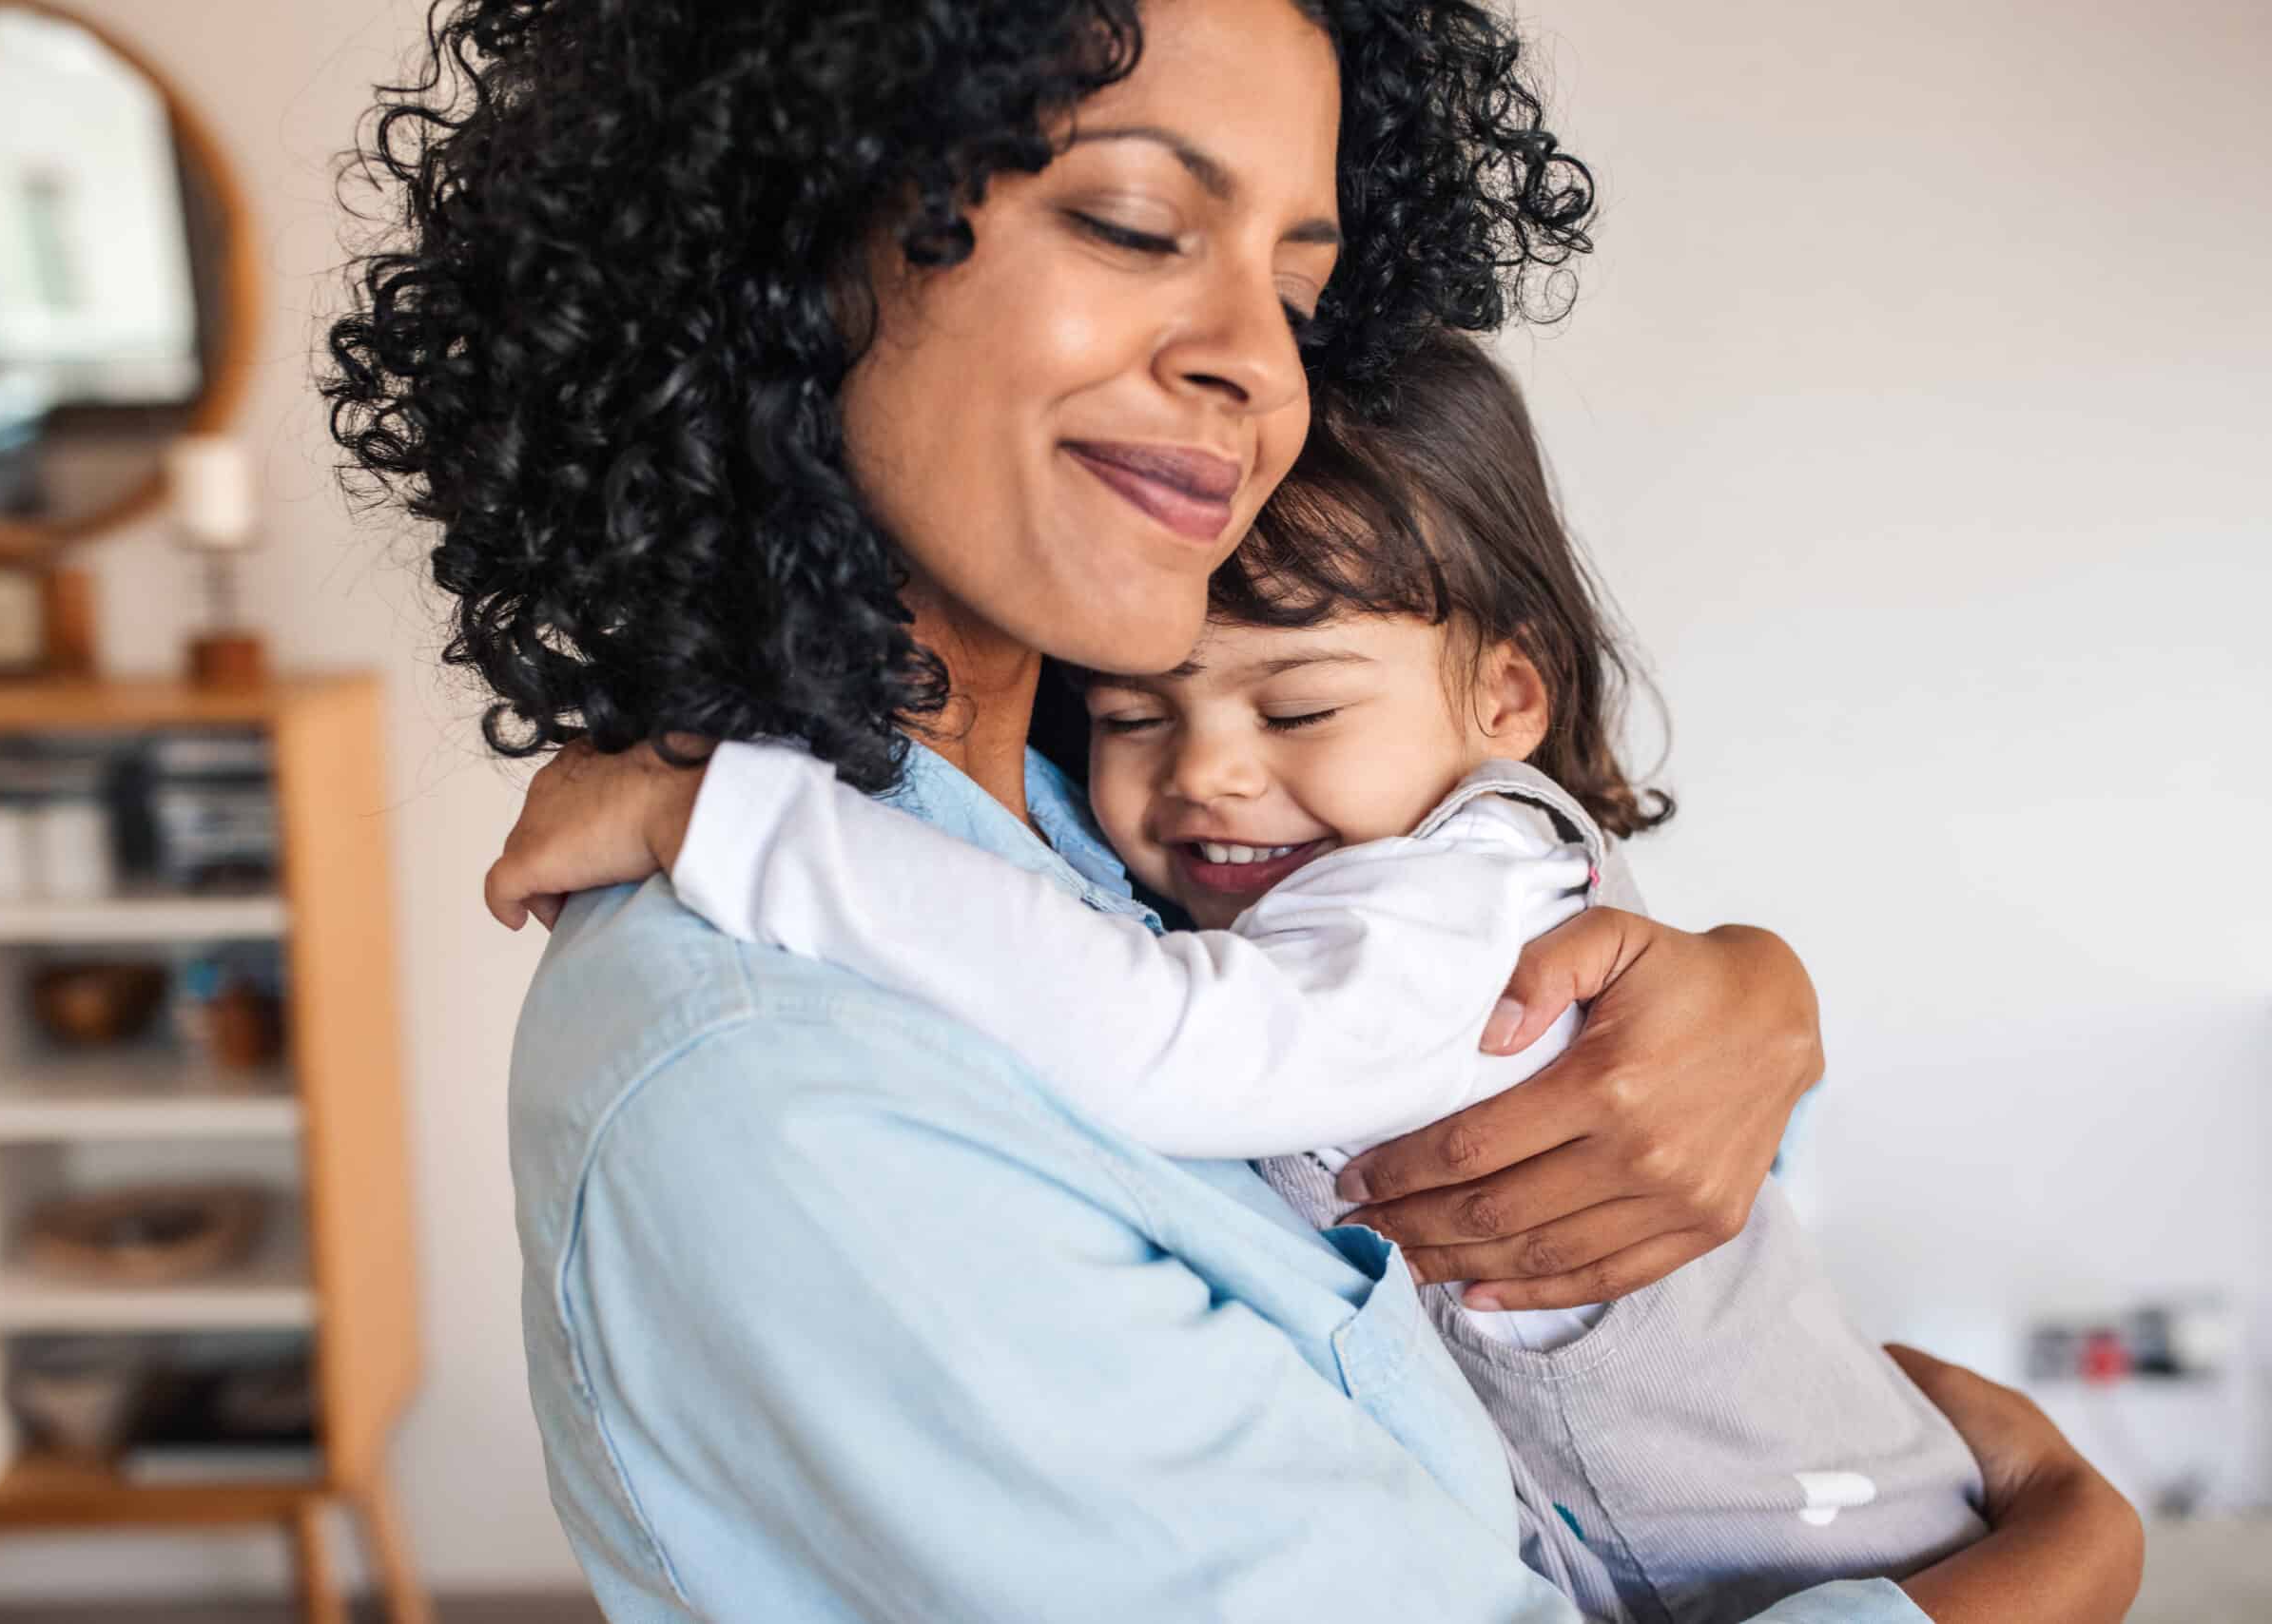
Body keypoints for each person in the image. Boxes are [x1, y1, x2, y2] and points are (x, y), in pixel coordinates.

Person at [332, 0, 2143, 1617]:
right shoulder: (780, 1088)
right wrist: (2067, 1546)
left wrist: (1736, 994)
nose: (1258, 369)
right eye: (1132, 223)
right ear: (773, 253)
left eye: (1295, 289)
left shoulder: (1095, 825)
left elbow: (1574, 1203)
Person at [481, 331, 2000, 1622]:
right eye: (1141, 717)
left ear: (1510, 694)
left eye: (1301, 709)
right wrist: (2062, 1554)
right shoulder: (775, 1075)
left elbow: (1173, 1045)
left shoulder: (1446, 893)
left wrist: (726, 821)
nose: (1208, 777)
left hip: (1800, 1538)